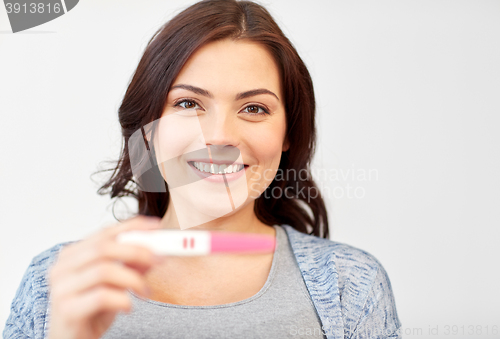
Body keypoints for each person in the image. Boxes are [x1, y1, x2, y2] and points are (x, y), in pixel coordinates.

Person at [3, 0, 402, 338]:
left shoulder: (350, 284)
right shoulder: (53, 281)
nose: (219, 136)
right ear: (149, 127)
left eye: (254, 108)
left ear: (288, 134)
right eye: (188, 104)